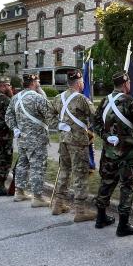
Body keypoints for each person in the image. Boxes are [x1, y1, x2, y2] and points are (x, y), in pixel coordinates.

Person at [92, 70, 133, 236]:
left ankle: (100, 218)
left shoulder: (105, 101)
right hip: (126, 154)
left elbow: (95, 123)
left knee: (106, 182)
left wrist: (107, 137)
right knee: (127, 185)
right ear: (126, 84)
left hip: (109, 151)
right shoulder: (129, 101)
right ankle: (123, 225)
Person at [50, 70, 97, 221]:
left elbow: (49, 115)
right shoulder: (81, 99)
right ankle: (80, 211)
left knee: (64, 171)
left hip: (63, 140)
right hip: (78, 142)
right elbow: (95, 116)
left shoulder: (58, 98)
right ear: (78, 83)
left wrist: (59, 125)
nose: (83, 84)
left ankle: (58, 204)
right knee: (80, 174)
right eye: (82, 81)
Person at [5, 73, 56, 207]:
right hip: (37, 139)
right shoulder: (37, 97)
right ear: (34, 83)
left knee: (22, 164)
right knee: (37, 166)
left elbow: (8, 116)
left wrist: (15, 128)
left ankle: (19, 192)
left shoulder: (16, 97)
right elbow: (50, 114)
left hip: (21, 138)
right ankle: (37, 197)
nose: (38, 83)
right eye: (37, 81)